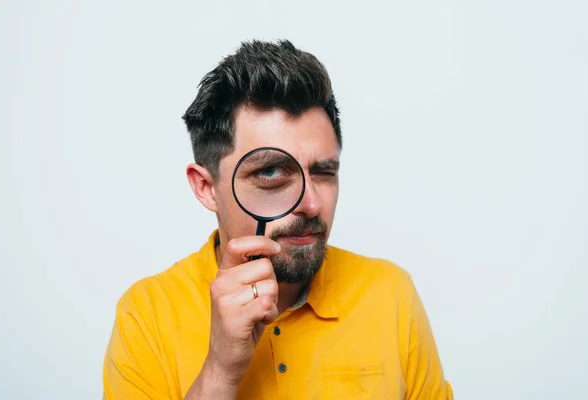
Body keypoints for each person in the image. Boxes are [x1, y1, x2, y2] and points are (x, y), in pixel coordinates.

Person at [102, 39, 453, 400]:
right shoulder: (146, 314)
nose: (311, 203)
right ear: (206, 187)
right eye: (270, 171)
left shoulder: (391, 292)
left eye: (323, 171)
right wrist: (220, 372)